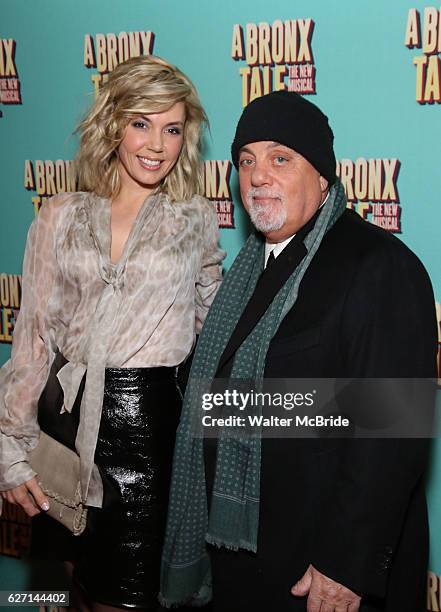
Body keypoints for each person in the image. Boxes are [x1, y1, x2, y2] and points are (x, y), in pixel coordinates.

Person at [160, 91, 438, 612]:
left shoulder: (378, 265)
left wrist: (344, 564)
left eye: (280, 158)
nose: (258, 176)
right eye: (246, 161)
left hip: (322, 575)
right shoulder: (242, 276)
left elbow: (394, 432)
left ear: (323, 176)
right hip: (243, 564)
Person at [0, 55, 224, 611]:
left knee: (126, 600)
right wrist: (9, 448)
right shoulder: (59, 214)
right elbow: (32, 340)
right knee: (63, 590)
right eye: (141, 123)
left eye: (172, 128)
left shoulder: (195, 218)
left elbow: (212, 331)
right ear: (113, 125)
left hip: (149, 434)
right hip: (62, 424)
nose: (157, 144)